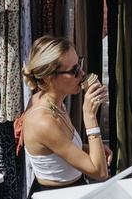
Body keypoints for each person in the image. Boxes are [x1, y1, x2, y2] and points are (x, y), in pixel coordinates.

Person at [21, 36, 113, 188]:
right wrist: (90, 118)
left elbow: (60, 146)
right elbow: (100, 173)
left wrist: (89, 148)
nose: (82, 73)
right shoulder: (44, 122)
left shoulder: (52, 102)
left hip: (70, 191)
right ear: (50, 79)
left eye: (80, 64)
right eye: (74, 70)